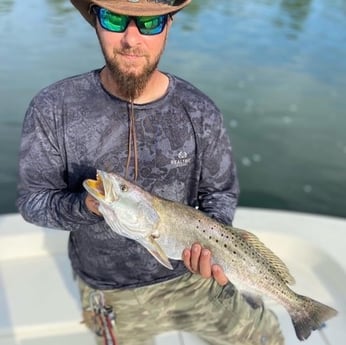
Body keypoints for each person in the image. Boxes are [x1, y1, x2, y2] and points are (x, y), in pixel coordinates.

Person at [16, 1, 284, 344]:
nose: (131, 39)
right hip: (112, 295)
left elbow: (220, 193)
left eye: (150, 23)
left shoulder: (200, 111)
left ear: (168, 25)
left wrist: (210, 253)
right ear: (95, 21)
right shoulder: (52, 108)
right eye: (114, 18)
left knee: (267, 339)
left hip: (195, 281)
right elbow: (33, 202)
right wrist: (86, 206)